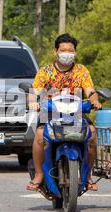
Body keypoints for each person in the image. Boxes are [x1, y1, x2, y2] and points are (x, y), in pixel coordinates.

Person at [27, 34, 102, 192]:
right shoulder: (45, 71)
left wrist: (94, 100)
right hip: (50, 114)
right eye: (63, 50)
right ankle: (39, 175)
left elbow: (90, 91)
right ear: (56, 51)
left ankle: (87, 176)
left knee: (92, 134)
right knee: (40, 135)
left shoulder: (81, 71)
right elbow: (34, 92)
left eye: (71, 50)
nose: (67, 53)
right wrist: (33, 102)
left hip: (77, 114)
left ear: (75, 52)